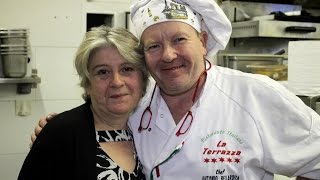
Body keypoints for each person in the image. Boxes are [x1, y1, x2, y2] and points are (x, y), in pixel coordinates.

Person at [31, 0, 320, 179]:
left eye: (179, 39)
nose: (168, 55)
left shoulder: (252, 94)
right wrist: (57, 132)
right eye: (154, 46)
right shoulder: (137, 103)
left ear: (203, 42)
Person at [19, 25, 148, 180]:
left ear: (143, 78)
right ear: (88, 84)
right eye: (103, 72)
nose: (116, 82)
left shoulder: (145, 129)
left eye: (127, 69)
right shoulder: (61, 133)